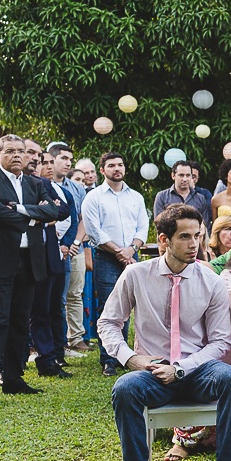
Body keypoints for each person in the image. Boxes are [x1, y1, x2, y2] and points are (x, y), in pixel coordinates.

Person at [102, 205, 231, 461]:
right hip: (151, 372)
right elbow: (108, 323)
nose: (194, 243)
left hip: (196, 371)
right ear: (163, 240)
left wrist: (182, 368)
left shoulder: (211, 281)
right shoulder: (136, 275)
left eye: (197, 235)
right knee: (124, 388)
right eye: (185, 237)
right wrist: (131, 359)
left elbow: (220, 341)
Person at [0, 134, 66, 405]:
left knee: (21, 323)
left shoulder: (36, 183)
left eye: (21, 151)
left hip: (30, 260)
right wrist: (33, 217)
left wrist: (21, 209)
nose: (17, 156)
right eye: (10, 151)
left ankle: (13, 379)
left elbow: (54, 213)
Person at [83, 152, 151, 377]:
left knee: (133, 307)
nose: (117, 169)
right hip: (106, 257)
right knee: (108, 308)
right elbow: (94, 231)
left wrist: (132, 249)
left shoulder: (136, 197)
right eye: (111, 166)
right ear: (102, 170)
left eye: (120, 165)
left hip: (133, 256)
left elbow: (143, 226)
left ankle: (125, 355)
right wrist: (119, 252)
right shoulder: (94, 197)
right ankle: (108, 359)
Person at [29, 149, 74, 378]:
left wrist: (46, 211)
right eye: (39, 161)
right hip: (23, 256)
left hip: (48, 255)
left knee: (44, 311)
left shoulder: (46, 185)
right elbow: (49, 210)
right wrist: (45, 212)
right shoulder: (27, 184)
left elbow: (64, 210)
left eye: (46, 161)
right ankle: (8, 363)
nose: (44, 165)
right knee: (14, 314)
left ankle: (48, 361)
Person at [50, 143, 90, 355]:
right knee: (55, 295)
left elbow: (84, 219)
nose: (67, 163)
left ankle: (76, 337)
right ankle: (53, 341)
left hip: (75, 247)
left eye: (70, 160)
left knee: (76, 292)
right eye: (63, 158)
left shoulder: (77, 188)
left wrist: (75, 244)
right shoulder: (41, 184)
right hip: (51, 246)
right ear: (52, 159)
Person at [154, 160, 212, 225]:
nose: (185, 179)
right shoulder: (162, 197)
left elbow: (205, 225)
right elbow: (158, 224)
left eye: (188, 175)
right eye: (181, 175)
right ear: (173, 176)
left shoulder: (200, 198)